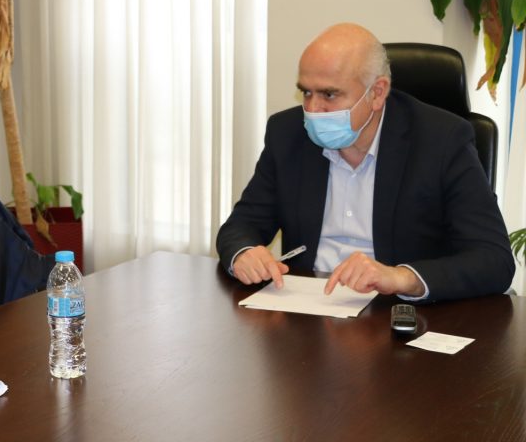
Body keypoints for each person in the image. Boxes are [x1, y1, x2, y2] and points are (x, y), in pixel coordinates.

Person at [216, 23, 514, 301]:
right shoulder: (288, 133)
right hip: (306, 310)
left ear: (377, 93)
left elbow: (494, 259)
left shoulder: (442, 140)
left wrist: (402, 277)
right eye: (306, 92)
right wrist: (244, 253)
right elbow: (241, 225)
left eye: (329, 94)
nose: (313, 109)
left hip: (397, 313)